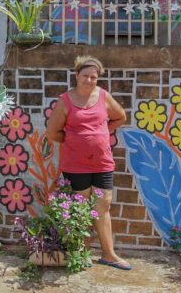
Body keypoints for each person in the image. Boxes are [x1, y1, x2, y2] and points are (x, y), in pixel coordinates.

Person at [46, 55, 131, 270]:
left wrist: (102, 131)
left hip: (101, 163)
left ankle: (108, 254)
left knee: (103, 206)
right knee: (81, 207)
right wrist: (74, 141)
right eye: (85, 76)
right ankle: (82, 254)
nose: (90, 80)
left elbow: (121, 117)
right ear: (77, 75)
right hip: (76, 165)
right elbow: (53, 132)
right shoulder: (65, 100)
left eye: (94, 77)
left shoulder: (103, 96)